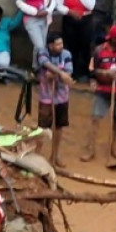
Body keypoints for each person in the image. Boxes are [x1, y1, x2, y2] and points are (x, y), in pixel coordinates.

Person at [81, 25, 116, 162]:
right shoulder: (99, 51)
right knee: (95, 119)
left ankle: (115, 145)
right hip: (103, 91)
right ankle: (90, 148)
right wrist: (105, 73)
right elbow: (92, 69)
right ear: (114, 39)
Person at [36, 33, 75, 167]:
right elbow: (44, 64)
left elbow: (68, 73)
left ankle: (55, 155)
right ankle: (36, 155)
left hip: (62, 97)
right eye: (58, 44)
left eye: (61, 44)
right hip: (46, 97)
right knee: (42, 128)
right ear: (50, 45)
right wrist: (60, 73)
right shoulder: (42, 52)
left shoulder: (66, 54)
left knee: (59, 126)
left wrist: (55, 74)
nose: (61, 46)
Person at [56, 0, 96, 82]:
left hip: (85, 20)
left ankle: (87, 72)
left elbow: (90, 6)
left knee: (86, 46)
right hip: (70, 20)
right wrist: (70, 11)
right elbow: (58, 5)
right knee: (71, 46)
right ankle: (72, 72)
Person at [15, 0, 56, 67]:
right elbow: (19, 1)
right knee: (40, 46)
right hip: (31, 19)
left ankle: (36, 67)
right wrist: (34, 12)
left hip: (44, 18)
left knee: (40, 45)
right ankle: (43, 68)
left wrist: (48, 11)